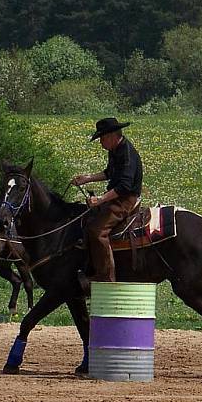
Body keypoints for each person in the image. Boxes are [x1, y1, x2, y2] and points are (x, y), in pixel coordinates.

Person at [71, 117, 143, 283]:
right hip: (117, 195)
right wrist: (87, 178)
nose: (101, 143)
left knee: (97, 232)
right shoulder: (116, 150)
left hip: (126, 199)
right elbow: (110, 172)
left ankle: (106, 277)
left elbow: (125, 186)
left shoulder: (127, 153)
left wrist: (101, 200)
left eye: (102, 138)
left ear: (111, 136)